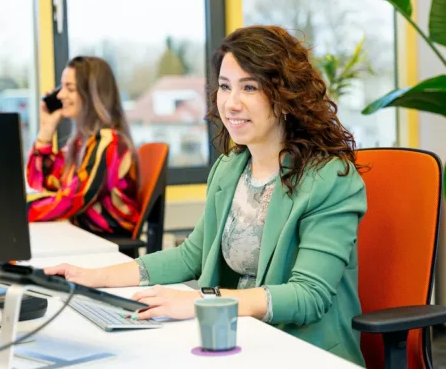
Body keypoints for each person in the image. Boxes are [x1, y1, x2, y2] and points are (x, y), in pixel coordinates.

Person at [45, 26, 367, 366]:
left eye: (250, 87)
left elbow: (308, 296)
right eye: (225, 87)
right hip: (242, 340)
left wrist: (202, 302)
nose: (231, 103)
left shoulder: (329, 179)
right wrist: (92, 277)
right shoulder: (230, 168)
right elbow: (191, 256)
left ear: (286, 96)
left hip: (304, 352)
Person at [27, 56, 140, 237]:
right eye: (61, 87)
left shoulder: (109, 143)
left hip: (107, 242)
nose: (60, 95)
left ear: (92, 95)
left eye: (70, 88)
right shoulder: (82, 143)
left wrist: (20, 211)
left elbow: (72, 199)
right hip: (85, 235)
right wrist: (46, 129)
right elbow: (42, 181)